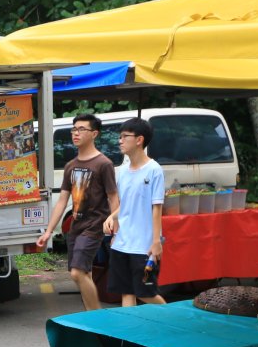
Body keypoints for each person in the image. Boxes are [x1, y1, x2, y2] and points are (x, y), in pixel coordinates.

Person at [36, 113, 119, 311]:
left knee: (77, 272)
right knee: (83, 274)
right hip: (76, 226)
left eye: (82, 129)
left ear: (94, 134)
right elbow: (62, 200)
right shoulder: (70, 166)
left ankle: (96, 315)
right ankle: (91, 315)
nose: (76, 133)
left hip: (94, 225)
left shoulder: (103, 164)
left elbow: (113, 197)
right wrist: (48, 232)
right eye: (74, 129)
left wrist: (116, 226)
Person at [104, 117, 166, 307]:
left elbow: (157, 209)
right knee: (126, 293)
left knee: (146, 293)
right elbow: (126, 204)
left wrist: (156, 243)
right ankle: (127, 335)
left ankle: (174, 320)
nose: (119, 140)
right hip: (122, 243)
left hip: (143, 247)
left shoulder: (154, 170)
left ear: (139, 140)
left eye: (124, 136)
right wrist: (112, 217)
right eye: (120, 136)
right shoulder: (121, 171)